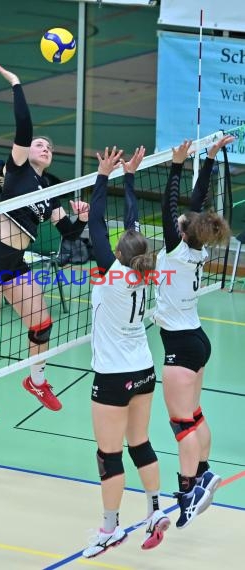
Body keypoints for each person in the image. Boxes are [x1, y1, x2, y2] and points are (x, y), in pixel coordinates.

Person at [0, 64, 89, 423]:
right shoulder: (17, 171)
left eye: (49, 147)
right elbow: (25, 128)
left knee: (42, 324)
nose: (44, 147)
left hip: (15, 262)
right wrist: (17, 84)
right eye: (39, 144)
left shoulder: (49, 193)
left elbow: (70, 236)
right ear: (25, 151)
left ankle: (37, 381)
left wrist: (79, 216)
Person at [82, 146, 170, 558]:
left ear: (119, 255)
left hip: (114, 376)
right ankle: (155, 510)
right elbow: (132, 226)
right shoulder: (145, 268)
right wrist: (130, 178)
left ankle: (110, 528)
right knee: (141, 443)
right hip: (144, 370)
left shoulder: (112, 272)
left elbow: (97, 222)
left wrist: (103, 176)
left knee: (109, 454)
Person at [153, 135, 233, 529]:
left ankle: (187, 494)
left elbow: (172, 206)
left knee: (181, 423)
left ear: (182, 233)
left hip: (182, 347)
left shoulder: (176, 250)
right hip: (196, 340)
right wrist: (211, 158)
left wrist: (176, 165)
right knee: (194, 416)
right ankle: (204, 472)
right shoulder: (196, 248)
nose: (183, 216)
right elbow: (194, 204)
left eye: (182, 222)